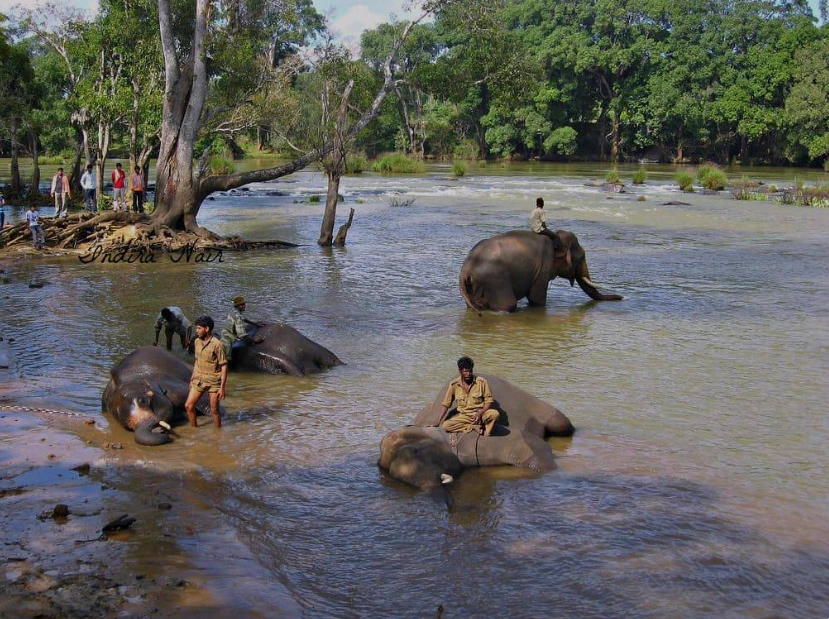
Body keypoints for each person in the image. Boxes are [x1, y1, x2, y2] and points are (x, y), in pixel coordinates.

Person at [434, 356, 501, 436]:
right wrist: (438, 422)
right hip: (465, 417)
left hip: (480, 414)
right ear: (460, 371)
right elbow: (446, 404)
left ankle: (485, 431)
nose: (468, 374)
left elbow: (488, 401)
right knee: (446, 426)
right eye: (465, 371)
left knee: (495, 414)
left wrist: (480, 413)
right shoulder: (454, 384)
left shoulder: (481, 382)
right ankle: (472, 427)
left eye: (470, 371)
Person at [184, 316, 228, 429]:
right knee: (189, 406)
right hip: (198, 379)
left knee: (214, 410)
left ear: (207, 329)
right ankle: (195, 430)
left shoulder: (217, 344)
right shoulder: (197, 342)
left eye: (199, 328)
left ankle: (218, 434)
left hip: (214, 382)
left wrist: (222, 387)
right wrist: (192, 379)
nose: (196, 330)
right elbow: (197, 361)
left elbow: (224, 366)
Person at [220, 295, 266, 360]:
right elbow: (242, 335)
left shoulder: (233, 311)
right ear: (237, 306)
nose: (244, 306)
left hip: (224, 334)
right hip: (228, 339)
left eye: (244, 304)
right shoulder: (238, 317)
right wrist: (255, 341)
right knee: (226, 359)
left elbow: (244, 319)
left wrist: (256, 324)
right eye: (241, 305)